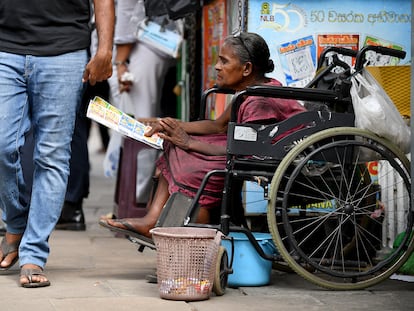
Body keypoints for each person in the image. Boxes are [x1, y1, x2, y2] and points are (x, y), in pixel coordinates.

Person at [100, 32, 306, 240]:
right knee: (173, 146)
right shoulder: (248, 92)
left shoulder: (259, 100)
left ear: (247, 69)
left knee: (191, 165)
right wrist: (174, 125)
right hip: (244, 147)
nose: (217, 66)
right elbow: (218, 126)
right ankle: (152, 219)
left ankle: (194, 236)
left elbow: (243, 150)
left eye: (224, 61)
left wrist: (189, 142)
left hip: (258, 156)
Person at [0, 0, 115, 288]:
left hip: (64, 51)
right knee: (2, 146)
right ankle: (16, 223)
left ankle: (33, 253)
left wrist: (104, 50)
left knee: (52, 155)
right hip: (5, 48)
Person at [105, 0, 176, 206]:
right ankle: (134, 199)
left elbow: (130, 10)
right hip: (139, 42)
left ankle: (137, 201)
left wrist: (120, 61)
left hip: (140, 43)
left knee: (140, 128)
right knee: (136, 126)